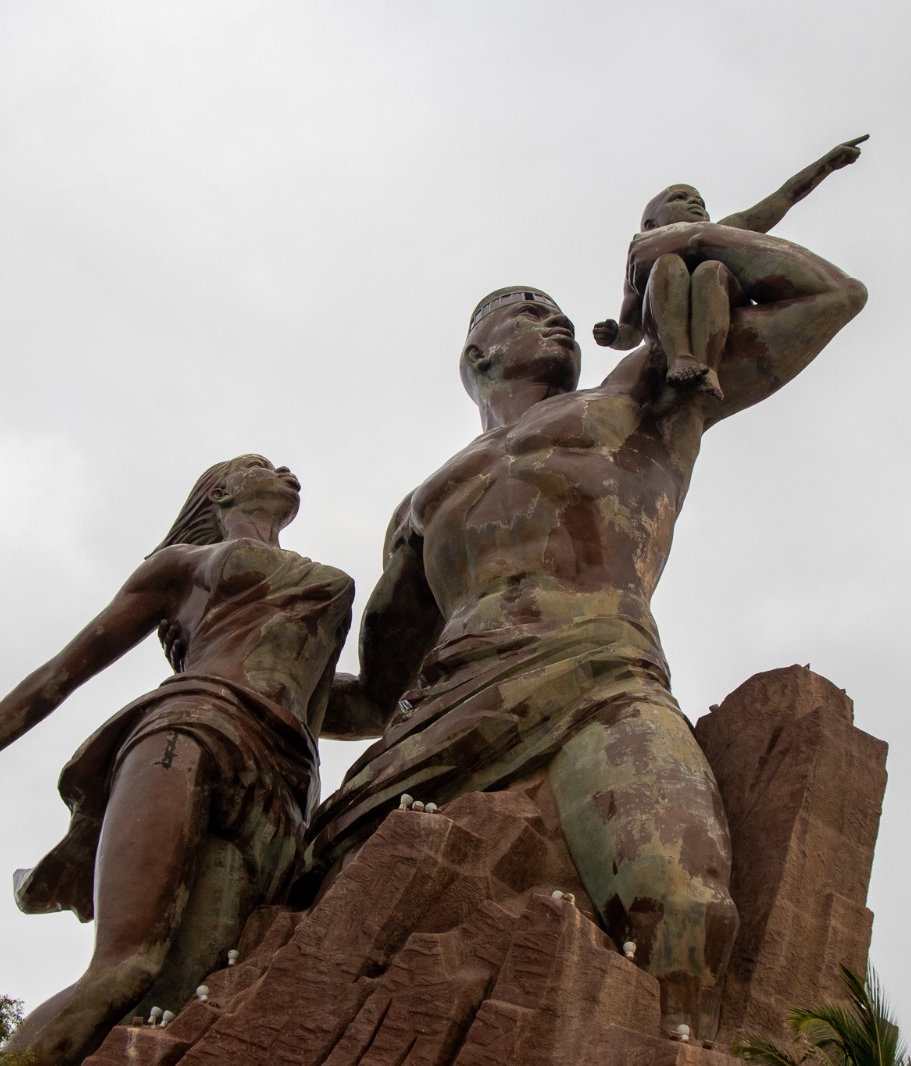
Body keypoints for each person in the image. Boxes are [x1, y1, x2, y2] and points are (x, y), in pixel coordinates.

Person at [308, 226, 865, 1040]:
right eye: (528, 310)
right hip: (439, 716)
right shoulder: (423, 504)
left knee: (685, 907)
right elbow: (375, 695)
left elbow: (831, 297)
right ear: (479, 356)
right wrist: (237, 677)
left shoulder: (640, 397)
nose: (555, 319)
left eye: (560, 310)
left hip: (602, 677)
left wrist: (691, 238)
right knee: (336, 930)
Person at [0, 455, 353, 1066]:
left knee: (178, 1001)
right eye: (261, 464)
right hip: (191, 729)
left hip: (283, 785)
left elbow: (347, 704)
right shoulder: (180, 567)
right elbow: (58, 675)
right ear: (222, 492)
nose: (284, 468)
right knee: (125, 968)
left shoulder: (330, 583)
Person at [594, 134, 867, 398]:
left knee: (711, 270)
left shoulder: (716, 232)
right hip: (664, 332)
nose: (695, 204)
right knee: (668, 264)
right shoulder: (640, 259)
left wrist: (826, 165)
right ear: (651, 225)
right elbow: (632, 329)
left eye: (700, 202)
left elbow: (783, 198)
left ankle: (709, 369)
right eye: (680, 198)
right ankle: (681, 358)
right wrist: (614, 335)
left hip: (720, 304)